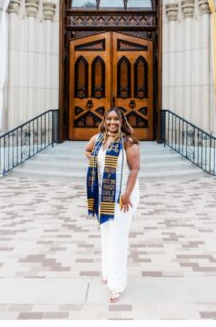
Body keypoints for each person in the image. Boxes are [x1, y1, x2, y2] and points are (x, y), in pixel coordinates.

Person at [84, 107, 141, 303]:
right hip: (104, 195)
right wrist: (92, 162)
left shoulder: (128, 143)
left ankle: (117, 285)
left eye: (116, 119)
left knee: (118, 238)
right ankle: (107, 272)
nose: (112, 122)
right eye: (109, 119)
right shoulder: (99, 139)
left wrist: (127, 193)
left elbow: (134, 170)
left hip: (123, 196)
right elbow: (87, 149)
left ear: (122, 121)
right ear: (105, 120)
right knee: (107, 233)